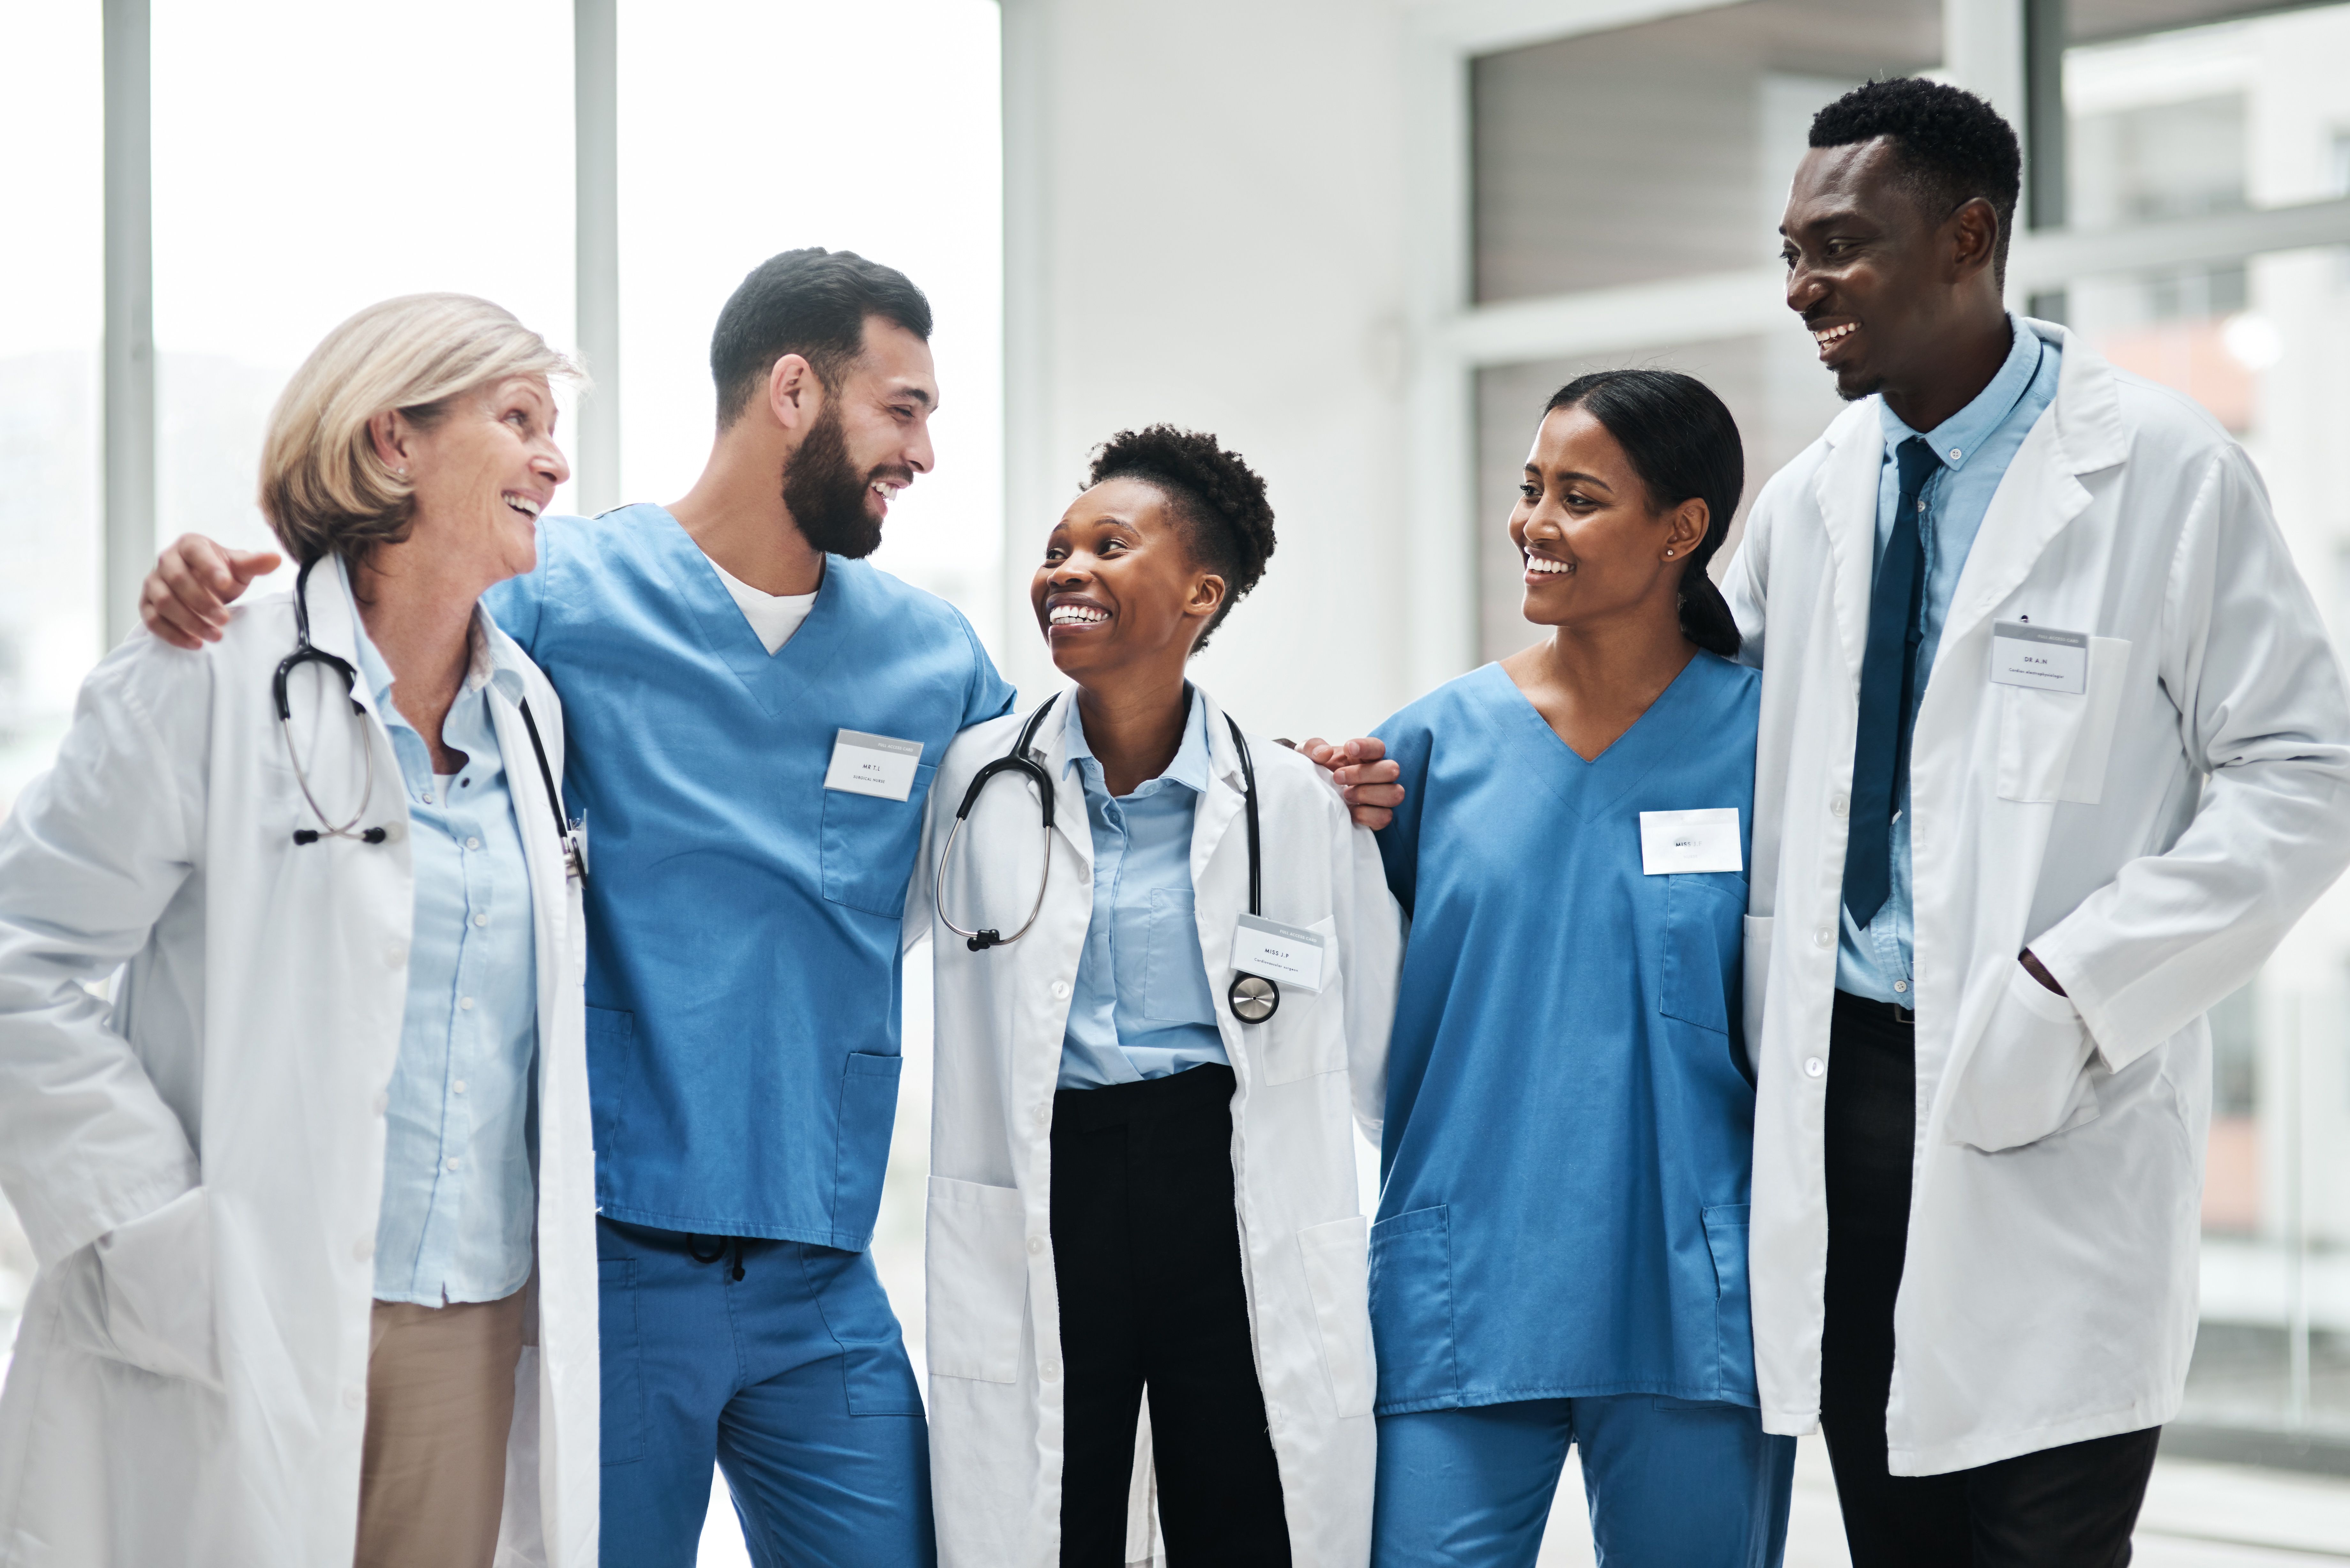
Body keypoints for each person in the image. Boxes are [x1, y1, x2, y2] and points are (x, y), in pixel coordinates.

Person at [137, 249, 1406, 1567]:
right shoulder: (558, 595)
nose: (923, 452)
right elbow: (367, 628)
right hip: (618, 1259)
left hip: (822, 1273)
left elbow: (1092, 792)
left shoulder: (929, 659)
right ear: (793, 391)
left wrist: (1292, 783)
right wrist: (207, 578)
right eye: (903, 409)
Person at [1728, 78, 2350, 1565]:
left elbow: (2303, 770)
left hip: (2050, 1086)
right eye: (1791, 251)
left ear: (1968, 238)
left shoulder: (2163, 471)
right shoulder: (1810, 501)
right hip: (1832, 1096)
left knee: (2046, 1540)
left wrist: (2071, 988)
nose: (1803, 286)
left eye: (1840, 244)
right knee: (1893, 1531)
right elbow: (1692, 737)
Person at [0, 294, 599, 1567]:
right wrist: (154, 1234)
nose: (556, 462)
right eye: (519, 420)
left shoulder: (530, 714)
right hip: (241, 1299)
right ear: (393, 439)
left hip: (467, 1317)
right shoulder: (210, 667)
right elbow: (22, 958)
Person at [913, 427, 1399, 1567]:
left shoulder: (1296, 801)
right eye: (1057, 549)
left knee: (1247, 1510)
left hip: (1225, 1185)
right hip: (1050, 1179)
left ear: (1201, 593)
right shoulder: (976, 783)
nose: (1068, 570)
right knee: (1057, 1516)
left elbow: (1387, 1047)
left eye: (1109, 545)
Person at [1364, 370, 1793, 1566]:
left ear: (1682, 529)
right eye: (1530, 488)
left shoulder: (1771, 744)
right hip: (1466, 1280)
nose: (1534, 523)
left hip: (1693, 1297)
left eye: (1580, 497)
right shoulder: (1427, 749)